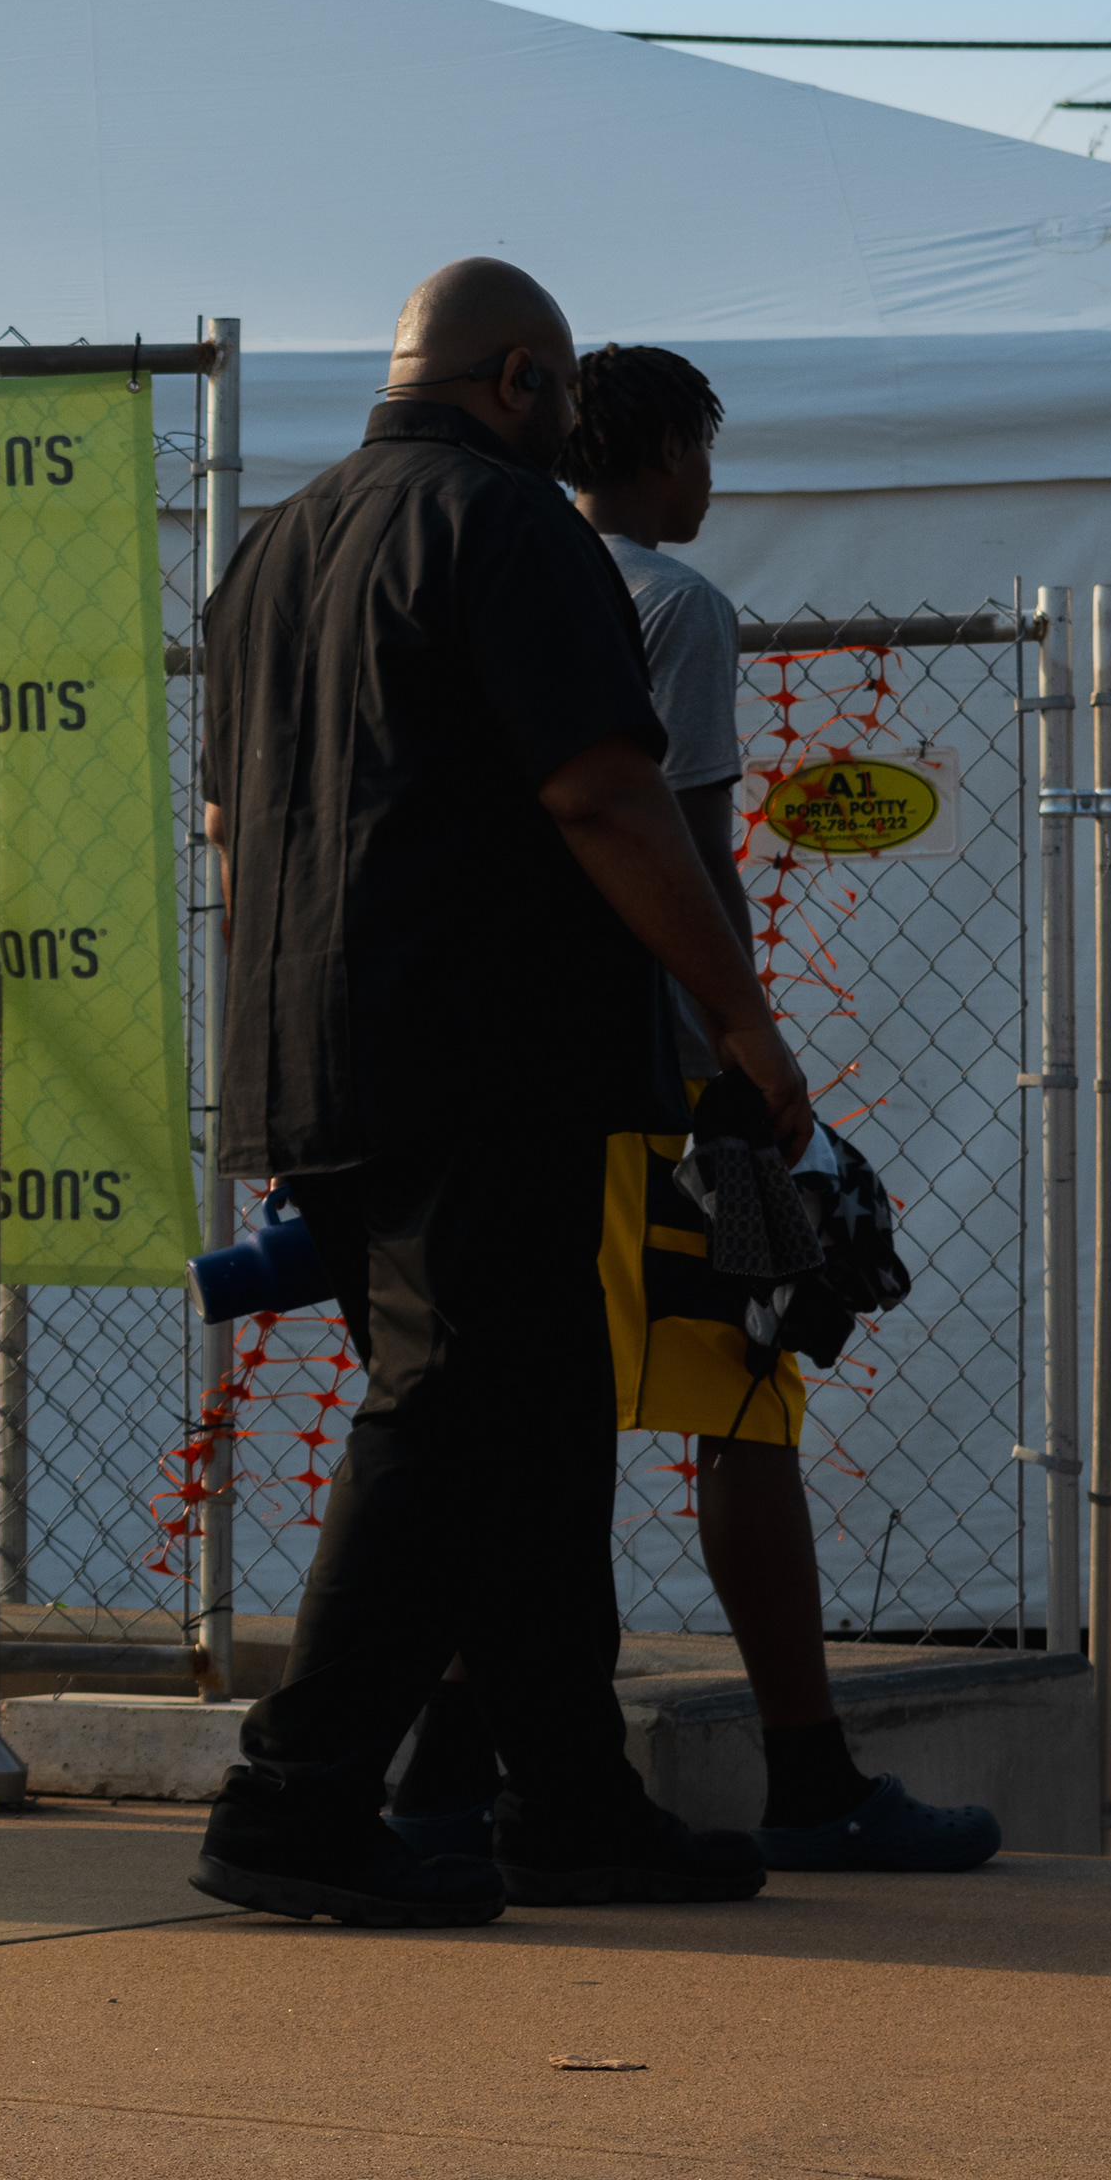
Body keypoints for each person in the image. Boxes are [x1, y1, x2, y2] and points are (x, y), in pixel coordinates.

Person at [190, 259, 816, 1929]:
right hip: (486, 1050)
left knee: (534, 1428)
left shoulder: (273, 547)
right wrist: (739, 1016)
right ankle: (295, 1798)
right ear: (521, 377)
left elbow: (232, 840)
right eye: (556, 389)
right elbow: (607, 793)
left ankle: (572, 1805)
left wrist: (282, 1044)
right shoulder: (510, 523)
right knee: (460, 1403)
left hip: (312, 1046)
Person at [377, 344, 996, 1873]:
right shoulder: (672, 605)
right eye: (701, 452)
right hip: (670, 1081)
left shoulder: (472, 566)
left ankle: (442, 1777)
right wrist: (755, 1045)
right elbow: (697, 849)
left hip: (501, 1077)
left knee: (515, 1422)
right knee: (748, 1402)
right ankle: (810, 1775)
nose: (710, 482)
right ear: (648, 451)